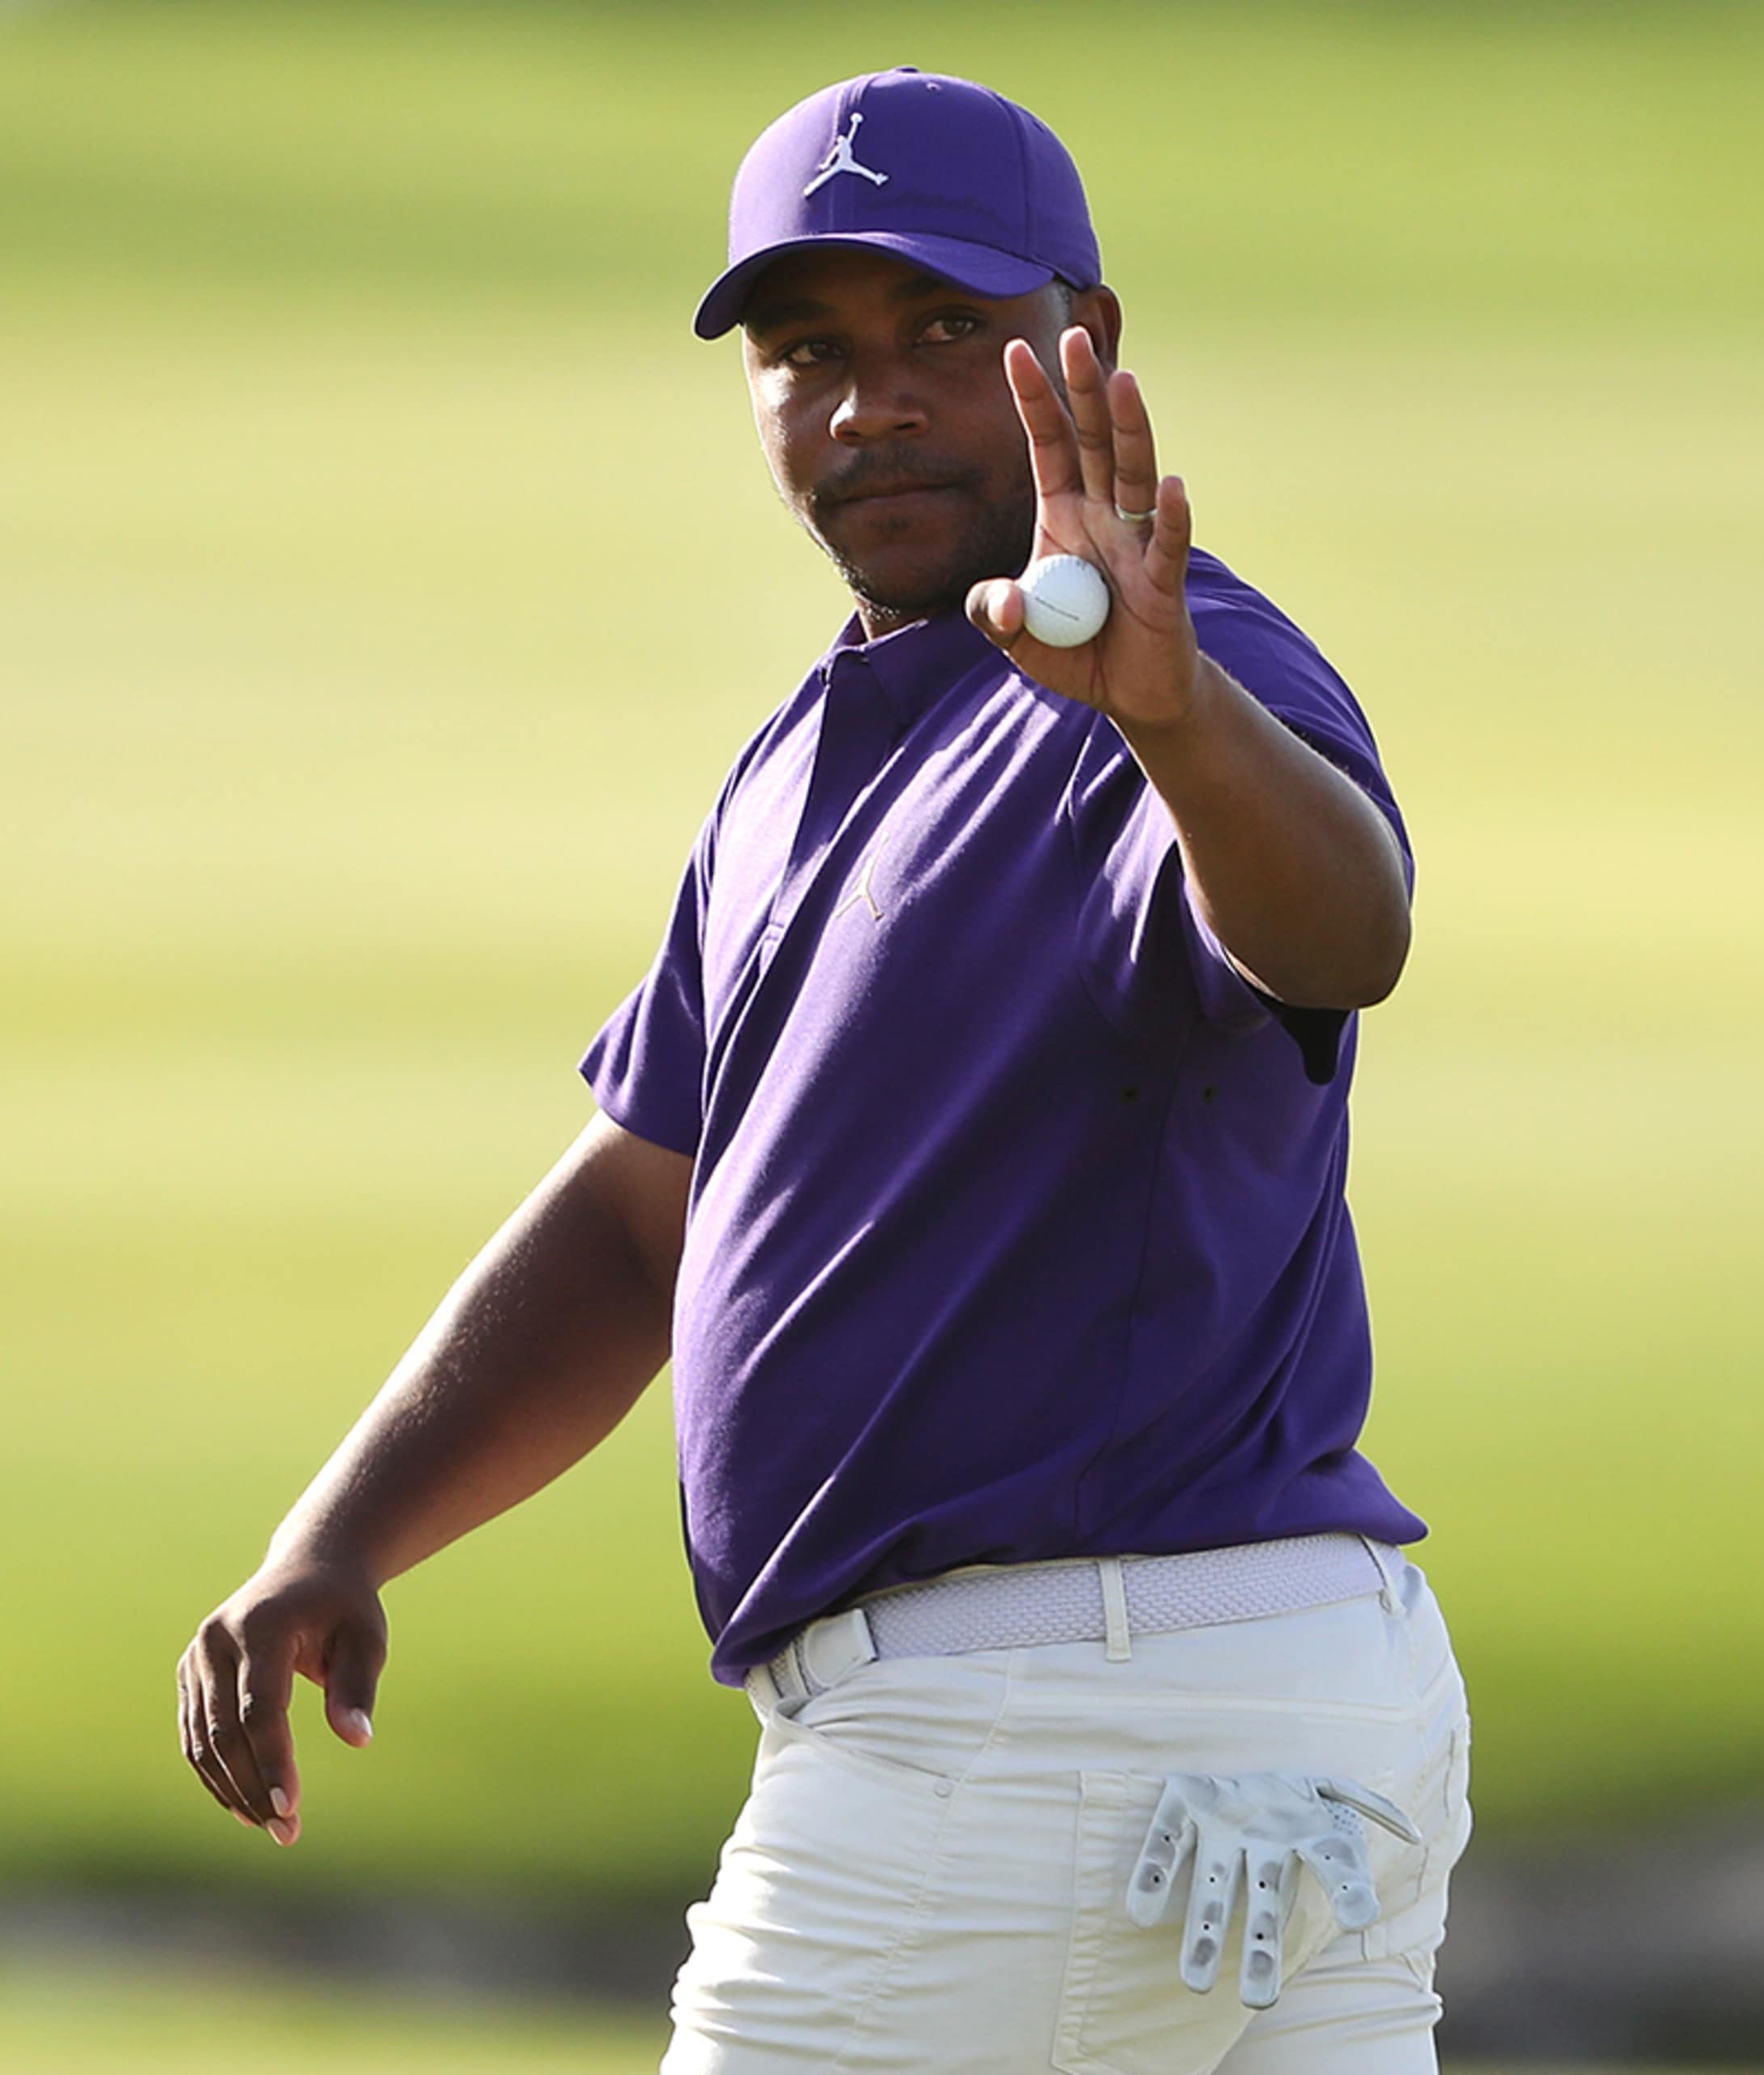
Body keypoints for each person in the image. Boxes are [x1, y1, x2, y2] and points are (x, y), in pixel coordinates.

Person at [178, 67, 1471, 2073]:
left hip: (1026, 1742)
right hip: (1255, 1712)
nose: (872, 400)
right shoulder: (809, 756)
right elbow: (639, 1211)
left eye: (948, 332)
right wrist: (340, 1533)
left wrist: (1176, 714)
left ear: (1085, 345)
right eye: (809, 351)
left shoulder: (1169, 673)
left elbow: (1340, 934)